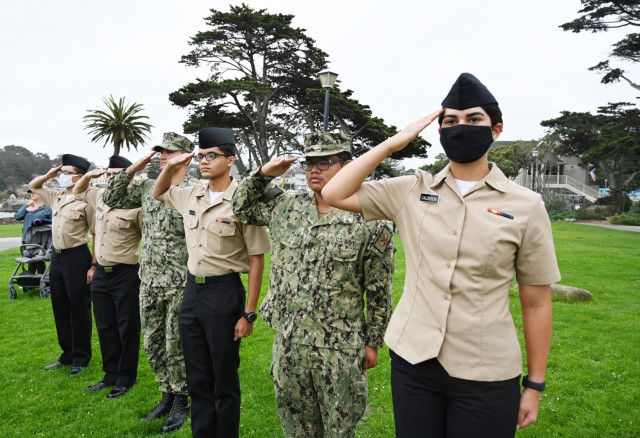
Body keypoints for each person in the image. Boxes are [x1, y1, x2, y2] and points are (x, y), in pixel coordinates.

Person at [322, 73, 561, 437]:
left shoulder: (525, 205)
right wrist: (391, 144)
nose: (461, 127)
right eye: (451, 121)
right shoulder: (411, 189)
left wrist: (535, 384)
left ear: (496, 129)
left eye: (474, 119)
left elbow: (537, 301)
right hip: (415, 362)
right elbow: (334, 192)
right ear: (439, 130)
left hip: (487, 369)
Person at [232, 132, 394, 437]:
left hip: (339, 346)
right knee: (295, 425)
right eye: (309, 163)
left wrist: (372, 342)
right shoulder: (286, 206)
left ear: (348, 166)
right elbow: (240, 206)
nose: (314, 170)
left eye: (325, 162)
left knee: (340, 427)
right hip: (290, 341)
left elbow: (379, 290)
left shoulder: (371, 220)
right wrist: (264, 173)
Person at [152, 127, 269, 438]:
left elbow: (257, 259)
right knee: (198, 377)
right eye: (201, 156)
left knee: (224, 378)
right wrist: (177, 163)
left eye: (211, 156)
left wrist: (249, 313)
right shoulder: (192, 194)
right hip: (192, 292)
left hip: (224, 292)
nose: (203, 161)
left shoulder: (243, 200)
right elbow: (158, 192)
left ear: (230, 160)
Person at [102, 133, 200, 433]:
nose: (162, 157)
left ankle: (182, 399)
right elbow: (111, 197)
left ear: (185, 156)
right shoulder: (146, 188)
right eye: (160, 152)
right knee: (153, 343)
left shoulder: (193, 191)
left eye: (168, 152)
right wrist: (137, 164)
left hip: (179, 281)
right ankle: (166, 394)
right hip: (149, 280)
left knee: (176, 346)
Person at [73, 155, 143, 399]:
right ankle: (110, 373)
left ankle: (126, 377)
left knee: (127, 327)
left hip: (126, 273)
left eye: (117, 174)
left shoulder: (137, 204)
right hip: (102, 272)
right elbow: (78, 190)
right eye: (110, 174)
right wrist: (90, 175)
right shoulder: (100, 197)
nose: (112, 178)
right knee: (105, 326)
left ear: (129, 176)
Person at [28, 154, 95, 376]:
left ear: (80, 177)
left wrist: (93, 266)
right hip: (56, 257)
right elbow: (34, 186)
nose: (62, 176)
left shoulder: (86, 200)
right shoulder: (56, 196)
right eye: (61, 172)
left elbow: (97, 234)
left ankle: (81, 357)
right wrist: (49, 174)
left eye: (67, 173)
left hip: (77, 257)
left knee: (79, 308)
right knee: (60, 307)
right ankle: (66, 354)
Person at [14, 189, 52, 274]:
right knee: (29, 257)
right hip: (26, 237)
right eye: (31, 192)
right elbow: (17, 217)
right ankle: (33, 281)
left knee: (39, 258)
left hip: (41, 238)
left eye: (35, 192)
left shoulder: (47, 208)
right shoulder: (26, 206)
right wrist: (26, 209)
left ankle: (38, 280)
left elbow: (53, 221)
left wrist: (41, 221)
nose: (32, 194)